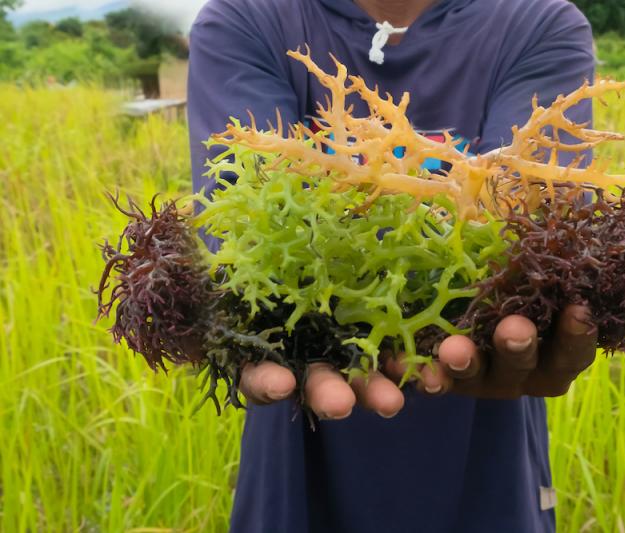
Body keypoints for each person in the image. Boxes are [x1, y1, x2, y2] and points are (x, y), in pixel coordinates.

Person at [188, 0, 598, 531]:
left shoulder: (535, 22)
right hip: (299, 423)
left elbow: (533, 222)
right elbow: (243, 220)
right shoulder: (248, 16)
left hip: (485, 440)